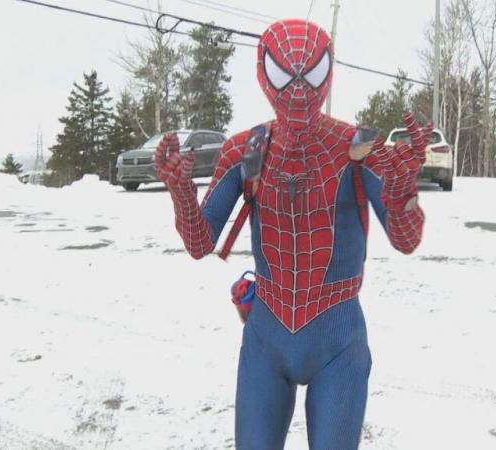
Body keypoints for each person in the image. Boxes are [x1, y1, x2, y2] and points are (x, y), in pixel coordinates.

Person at [154, 19, 431, 450]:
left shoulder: (359, 147)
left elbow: (406, 240)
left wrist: (401, 195)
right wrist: (181, 195)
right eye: (286, 76)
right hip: (267, 336)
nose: (298, 90)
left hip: (338, 340)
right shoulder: (246, 150)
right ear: (263, 73)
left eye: (312, 74)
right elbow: (199, 242)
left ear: (329, 71)